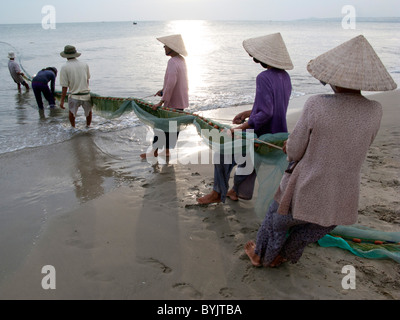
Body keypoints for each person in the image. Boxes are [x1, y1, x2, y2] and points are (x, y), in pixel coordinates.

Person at [245, 35, 397, 268]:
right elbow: (359, 144)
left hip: (305, 189)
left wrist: (290, 148)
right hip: (342, 198)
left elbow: (294, 151)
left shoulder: (317, 104)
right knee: (309, 232)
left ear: (331, 78)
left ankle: (262, 257)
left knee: (274, 222)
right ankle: (285, 255)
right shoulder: (375, 110)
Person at [197, 33, 293, 204]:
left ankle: (217, 193)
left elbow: (266, 113)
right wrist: (247, 113)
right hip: (277, 135)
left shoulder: (263, 77)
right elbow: (273, 106)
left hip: (260, 136)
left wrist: (241, 128)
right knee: (249, 162)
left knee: (223, 154)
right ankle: (235, 191)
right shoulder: (285, 77)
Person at [140, 34, 189, 159]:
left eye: (166, 46)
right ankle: (167, 151)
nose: (164, 47)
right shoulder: (181, 60)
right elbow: (175, 81)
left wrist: (161, 102)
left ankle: (154, 152)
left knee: (160, 127)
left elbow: (172, 83)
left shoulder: (172, 61)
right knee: (173, 127)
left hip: (172, 102)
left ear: (172, 48)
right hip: (180, 101)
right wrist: (162, 90)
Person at [59, 45, 92, 127]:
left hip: (74, 96)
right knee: (88, 112)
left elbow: (64, 86)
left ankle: (73, 128)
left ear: (66, 56)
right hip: (86, 94)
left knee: (72, 113)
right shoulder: (84, 64)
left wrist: (62, 100)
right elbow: (87, 79)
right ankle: (88, 127)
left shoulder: (64, 67)